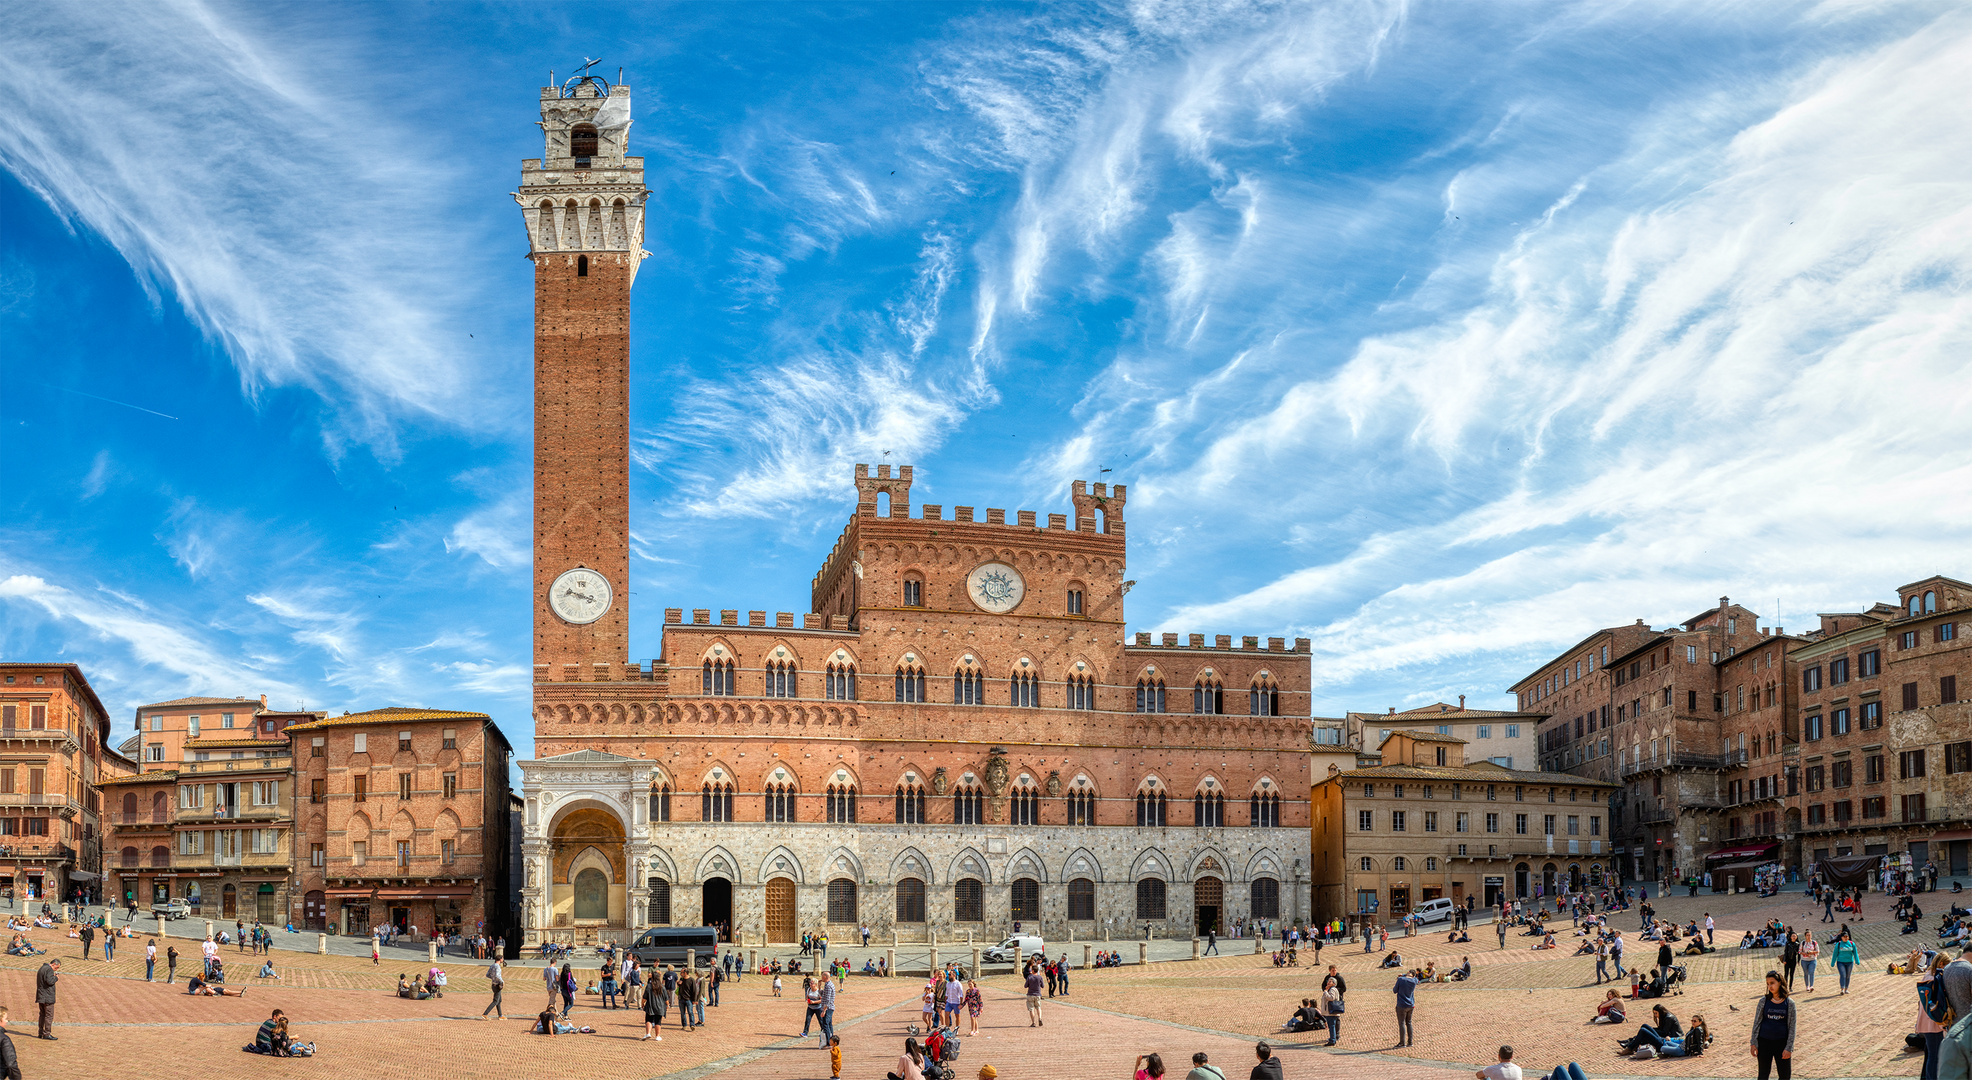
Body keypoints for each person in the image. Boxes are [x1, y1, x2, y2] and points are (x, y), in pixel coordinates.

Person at [1752, 971, 1795, 1080]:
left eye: (1772, 983)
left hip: (1782, 1043)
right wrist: (1753, 1042)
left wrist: (1789, 1047)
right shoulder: (1763, 1001)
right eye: (1767, 983)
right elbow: (1757, 1022)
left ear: (1780, 983)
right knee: (1763, 1075)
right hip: (1764, 1042)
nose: (1770, 986)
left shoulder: (1789, 1003)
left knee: (1785, 1076)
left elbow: (1792, 1027)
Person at [1393, 966, 1418, 1048]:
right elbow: (1413, 977)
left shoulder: (1401, 980)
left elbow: (1394, 990)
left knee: (1402, 1023)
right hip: (1411, 1004)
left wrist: (1402, 976)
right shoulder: (1414, 981)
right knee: (1409, 1023)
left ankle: (1402, 1042)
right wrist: (1404, 975)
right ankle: (1410, 1042)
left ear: (1408, 972)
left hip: (1401, 1004)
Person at [34, 958, 58, 1040]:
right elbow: (50, 981)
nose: (56, 969)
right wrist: (56, 978)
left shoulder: (42, 968)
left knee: (42, 1015)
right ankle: (47, 1033)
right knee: (49, 1015)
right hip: (47, 997)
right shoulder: (49, 970)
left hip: (41, 996)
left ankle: (40, 1032)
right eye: (56, 967)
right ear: (53, 964)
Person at [1832, 929, 1860, 994]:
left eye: (1847, 936)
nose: (1846, 938)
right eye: (1844, 937)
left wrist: (1857, 960)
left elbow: (1855, 952)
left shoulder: (1852, 944)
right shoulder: (1838, 944)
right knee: (1843, 974)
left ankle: (1846, 988)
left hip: (1849, 962)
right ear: (1841, 937)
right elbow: (1835, 954)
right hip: (1840, 962)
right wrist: (1833, 962)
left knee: (1848, 975)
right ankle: (1842, 988)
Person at [483, 956, 505, 1021]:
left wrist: (493, 978)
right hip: (497, 985)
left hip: (493, 984)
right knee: (495, 1001)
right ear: (500, 959)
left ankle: (500, 1015)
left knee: (499, 1000)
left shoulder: (492, 966)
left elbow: (487, 975)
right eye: (502, 958)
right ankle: (485, 1014)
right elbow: (497, 975)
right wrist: (502, 981)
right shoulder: (497, 967)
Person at [1025, 960, 1045, 1027]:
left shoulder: (1029, 977)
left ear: (1033, 970)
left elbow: (1025, 986)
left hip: (1030, 994)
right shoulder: (1040, 977)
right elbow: (1043, 986)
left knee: (1031, 1009)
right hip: (1038, 994)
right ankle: (1040, 1018)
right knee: (1038, 1007)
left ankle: (1033, 1022)